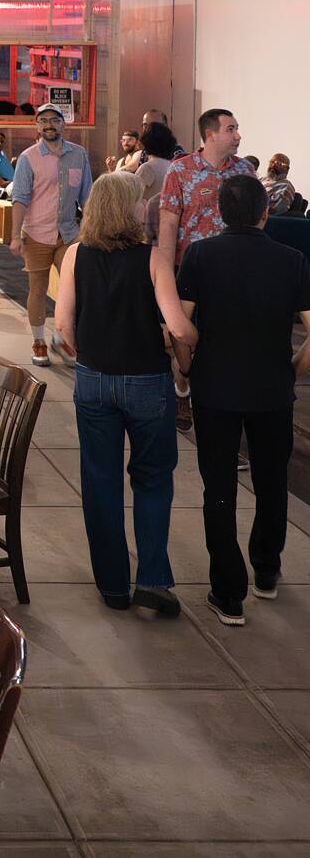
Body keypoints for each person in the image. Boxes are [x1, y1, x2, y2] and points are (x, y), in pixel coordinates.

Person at [54, 173, 198, 615]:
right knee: (152, 477)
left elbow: (61, 325)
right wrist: (193, 344)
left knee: (100, 479)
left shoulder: (75, 253)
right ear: (128, 208)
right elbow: (178, 327)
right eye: (140, 201)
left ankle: (113, 585)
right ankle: (152, 579)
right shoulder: (153, 259)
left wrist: (86, 351)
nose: (145, 207)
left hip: (93, 379)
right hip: (146, 382)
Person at [174, 175, 310, 626]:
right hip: (272, 389)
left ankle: (228, 592)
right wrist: (293, 368)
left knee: (219, 489)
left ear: (220, 212)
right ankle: (266, 571)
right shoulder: (291, 260)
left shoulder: (200, 255)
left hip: (215, 388)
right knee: (272, 482)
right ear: (265, 213)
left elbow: (181, 326)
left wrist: (187, 367)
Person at [158, 107, 253, 429]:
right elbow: (168, 225)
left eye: (237, 128)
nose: (238, 136)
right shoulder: (180, 170)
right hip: (190, 271)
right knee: (183, 336)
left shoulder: (244, 172)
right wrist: (165, 275)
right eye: (231, 129)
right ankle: (182, 390)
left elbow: (257, 219)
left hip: (234, 274)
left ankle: (222, 402)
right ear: (210, 134)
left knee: (227, 339)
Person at [10, 102, 93, 367]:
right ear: (37, 126)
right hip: (36, 233)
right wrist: (15, 236)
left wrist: (90, 230)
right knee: (38, 288)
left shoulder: (79, 154)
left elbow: (87, 196)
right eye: (43, 120)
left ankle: (62, 336)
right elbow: (20, 199)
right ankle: (39, 341)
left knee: (74, 287)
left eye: (54, 120)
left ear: (63, 124)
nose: (49, 125)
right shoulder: (28, 158)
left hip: (68, 233)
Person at [136, 121, 178, 243]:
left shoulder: (147, 168)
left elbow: (134, 198)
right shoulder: (172, 166)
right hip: (169, 225)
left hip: (149, 228)